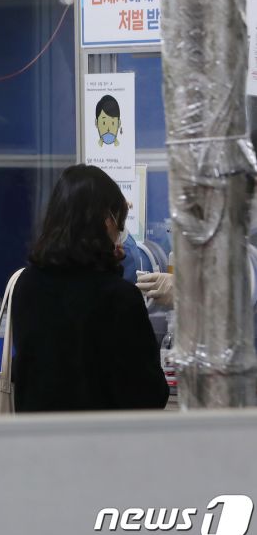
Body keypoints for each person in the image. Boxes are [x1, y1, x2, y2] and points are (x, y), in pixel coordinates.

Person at [11, 164, 169, 412]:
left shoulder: (26, 284)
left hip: (38, 433)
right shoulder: (118, 298)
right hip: (100, 435)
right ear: (106, 220)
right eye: (119, 222)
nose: (120, 231)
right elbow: (149, 395)